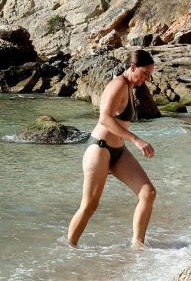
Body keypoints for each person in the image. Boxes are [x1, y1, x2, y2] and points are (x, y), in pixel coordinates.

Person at [67, 49, 157, 249]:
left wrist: (130, 141)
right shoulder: (118, 85)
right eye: (145, 73)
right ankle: (69, 248)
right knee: (89, 205)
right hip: (100, 149)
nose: (147, 78)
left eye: (150, 74)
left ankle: (137, 246)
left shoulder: (129, 87)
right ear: (133, 67)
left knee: (148, 193)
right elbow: (104, 118)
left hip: (118, 152)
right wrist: (137, 140)